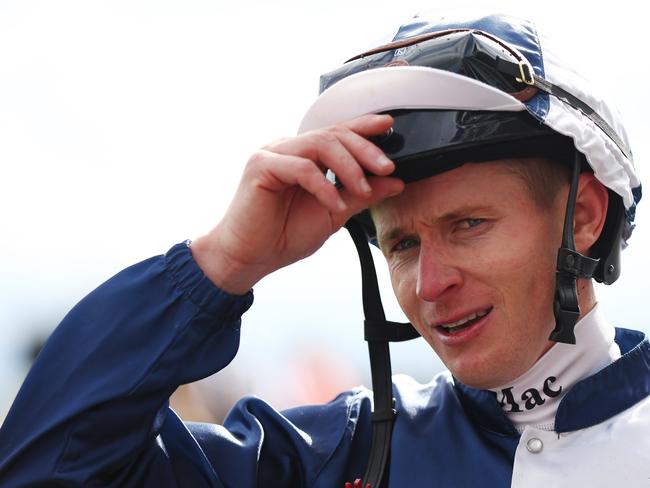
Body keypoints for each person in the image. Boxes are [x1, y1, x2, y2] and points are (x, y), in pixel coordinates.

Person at [0, 11, 648, 488]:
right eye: (400, 243)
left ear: (584, 217)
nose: (428, 283)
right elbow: (45, 472)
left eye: (468, 224)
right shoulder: (340, 454)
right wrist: (222, 263)